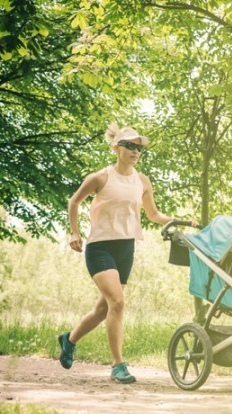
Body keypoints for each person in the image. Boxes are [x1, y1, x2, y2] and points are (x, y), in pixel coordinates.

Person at [58, 123, 197, 383]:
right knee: (118, 303)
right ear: (116, 148)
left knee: (104, 310)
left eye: (139, 147)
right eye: (130, 146)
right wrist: (74, 233)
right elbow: (74, 201)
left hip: (126, 248)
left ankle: (69, 339)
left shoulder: (142, 181)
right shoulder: (100, 177)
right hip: (100, 247)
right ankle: (117, 365)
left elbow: (153, 215)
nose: (136, 151)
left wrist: (180, 220)